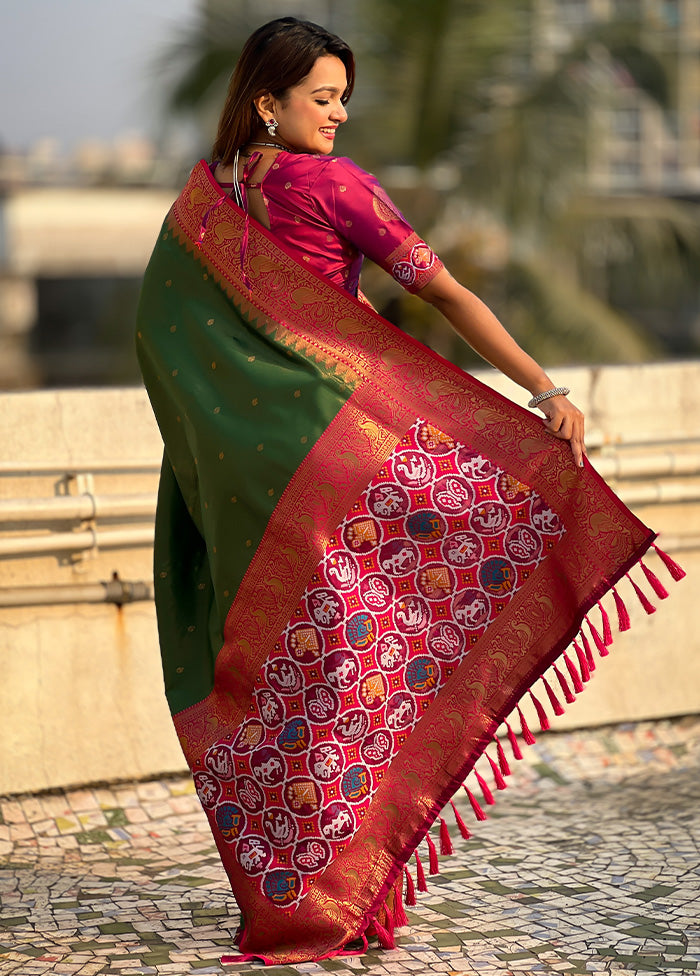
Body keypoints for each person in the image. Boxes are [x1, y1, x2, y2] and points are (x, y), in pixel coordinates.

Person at [136, 16, 680, 967]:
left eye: (345, 97)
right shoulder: (335, 186)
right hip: (342, 456)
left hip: (250, 476)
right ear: (268, 103)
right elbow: (447, 295)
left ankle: (295, 896)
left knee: (291, 672)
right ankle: (333, 897)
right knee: (380, 643)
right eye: (323, 98)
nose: (340, 114)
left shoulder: (206, 207)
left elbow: (158, 332)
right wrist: (541, 387)